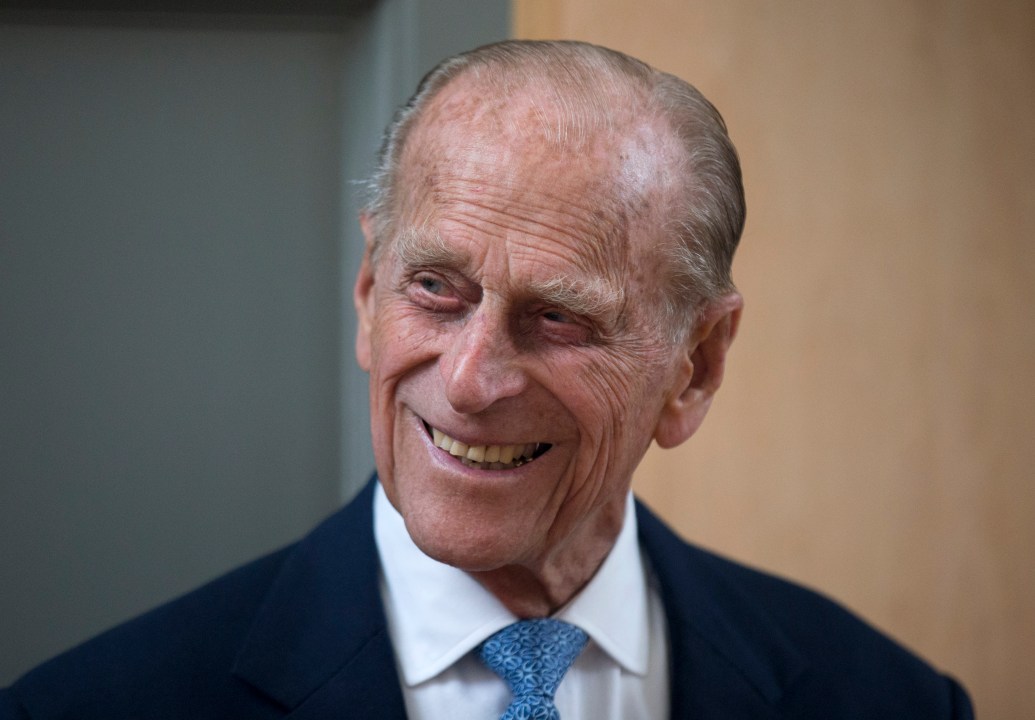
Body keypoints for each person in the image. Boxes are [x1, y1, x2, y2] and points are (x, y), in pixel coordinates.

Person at [0, 40, 972, 720]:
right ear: (369, 289)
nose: (470, 381)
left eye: (559, 317)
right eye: (435, 288)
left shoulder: (887, 702)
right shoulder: (93, 706)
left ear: (696, 366)